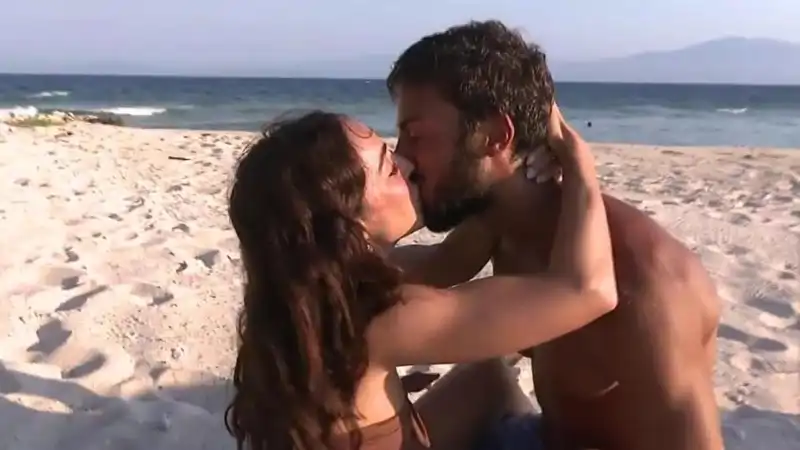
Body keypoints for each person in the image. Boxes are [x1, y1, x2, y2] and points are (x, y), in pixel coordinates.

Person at [388, 20, 724, 450]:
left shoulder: (646, 280)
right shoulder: (498, 223)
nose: (401, 158)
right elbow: (427, 268)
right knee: (485, 377)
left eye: (415, 136)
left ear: (495, 136)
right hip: (544, 436)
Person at [224, 109, 616, 450]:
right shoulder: (383, 317)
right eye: (390, 167)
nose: (408, 164)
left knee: (487, 378)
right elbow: (589, 290)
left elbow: (447, 261)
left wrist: (503, 178)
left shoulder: (308, 293)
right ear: (349, 219)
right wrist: (578, 163)